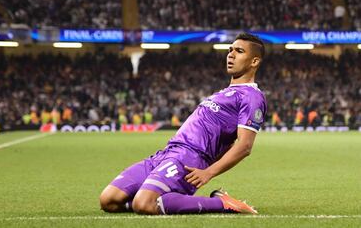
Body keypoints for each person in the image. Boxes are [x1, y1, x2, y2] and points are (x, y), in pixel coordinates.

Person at [99, 33, 267, 215]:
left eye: (239, 51)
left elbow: (244, 146)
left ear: (254, 61)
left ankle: (222, 203)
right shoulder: (224, 92)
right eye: (230, 50)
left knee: (144, 204)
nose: (231, 54)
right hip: (166, 153)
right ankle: (162, 200)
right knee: (109, 200)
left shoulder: (252, 97)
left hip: (189, 158)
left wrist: (208, 172)